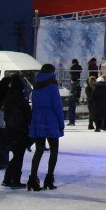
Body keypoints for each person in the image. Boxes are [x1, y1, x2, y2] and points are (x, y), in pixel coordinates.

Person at [27, 63, 64, 191]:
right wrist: (61, 122)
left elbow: (34, 104)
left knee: (39, 150)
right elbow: (57, 105)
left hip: (38, 118)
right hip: (51, 119)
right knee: (54, 150)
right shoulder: (52, 85)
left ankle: (32, 178)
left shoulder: (36, 85)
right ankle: (49, 178)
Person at [0, 73, 32, 189]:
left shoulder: (9, 96)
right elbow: (27, 114)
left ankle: (8, 179)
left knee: (16, 155)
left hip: (10, 129)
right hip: (19, 130)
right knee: (18, 156)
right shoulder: (20, 98)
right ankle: (14, 180)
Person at [68, 59, 82, 126]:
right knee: (72, 108)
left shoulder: (73, 67)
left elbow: (70, 72)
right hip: (77, 82)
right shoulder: (79, 67)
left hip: (73, 97)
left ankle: (71, 122)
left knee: (71, 108)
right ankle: (72, 121)